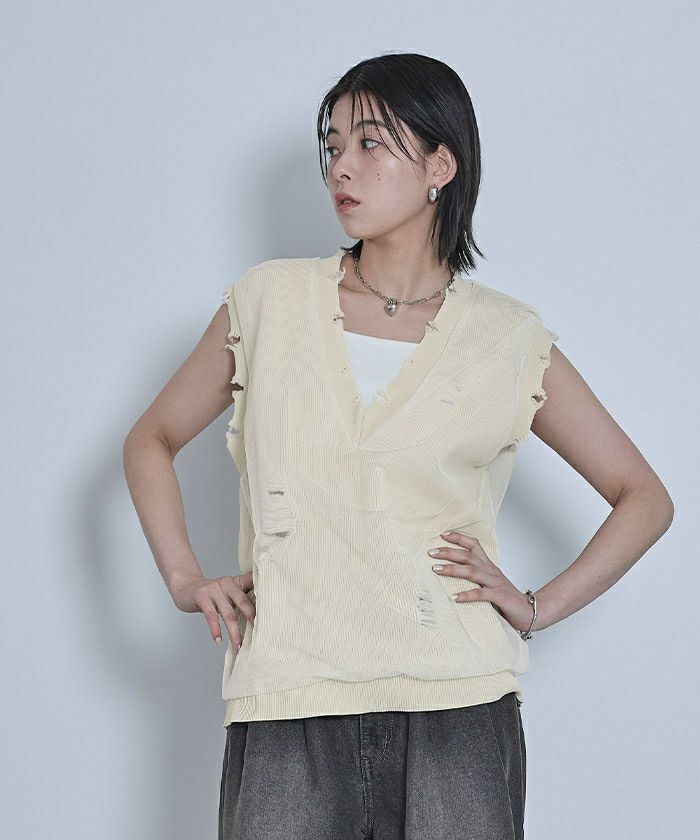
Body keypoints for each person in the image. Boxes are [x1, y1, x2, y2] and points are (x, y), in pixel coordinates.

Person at [123, 53, 674, 840]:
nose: (341, 167)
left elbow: (644, 498)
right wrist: (183, 578)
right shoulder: (269, 304)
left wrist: (537, 606)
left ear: (440, 166)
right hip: (290, 697)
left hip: (459, 707)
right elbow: (151, 438)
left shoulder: (506, 339)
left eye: (370, 143)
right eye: (333, 146)